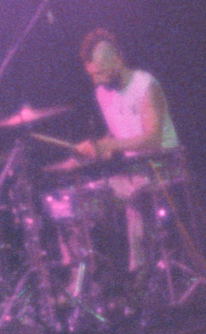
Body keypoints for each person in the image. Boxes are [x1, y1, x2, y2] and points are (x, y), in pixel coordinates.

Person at [76, 28, 182, 272]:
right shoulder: (102, 93)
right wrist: (95, 149)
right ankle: (89, 275)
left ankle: (142, 274)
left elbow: (153, 139)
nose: (97, 81)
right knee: (80, 201)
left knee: (136, 197)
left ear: (117, 59)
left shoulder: (146, 85)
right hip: (134, 171)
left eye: (100, 73)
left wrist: (109, 145)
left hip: (164, 167)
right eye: (92, 75)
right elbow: (119, 133)